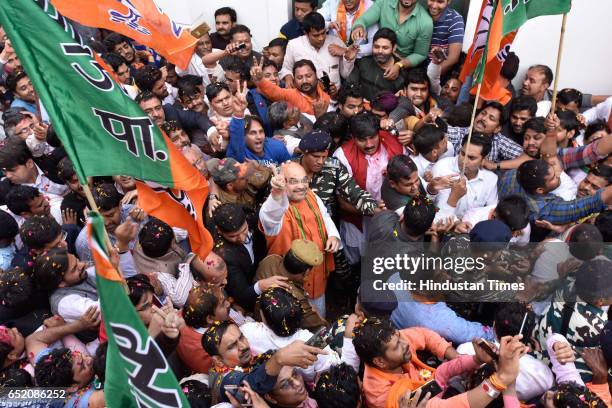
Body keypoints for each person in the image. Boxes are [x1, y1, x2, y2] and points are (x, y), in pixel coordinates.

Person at [259, 162, 341, 316]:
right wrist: (277, 193)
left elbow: (323, 215)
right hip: (290, 287)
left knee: (318, 319)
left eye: (304, 180)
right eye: (293, 181)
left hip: (318, 276)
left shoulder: (310, 194)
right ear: (282, 182)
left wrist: (333, 235)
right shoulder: (274, 207)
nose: (302, 186)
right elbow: (271, 216)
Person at [201, 320, 326, 404]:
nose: (243, 346)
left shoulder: (245, 357)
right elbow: (250, 384)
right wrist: (278, 359)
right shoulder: (224, 382)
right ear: (218, 360)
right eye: (232, 346)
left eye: (241, 337)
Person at [352, 317, 457, 407]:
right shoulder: (381, 395)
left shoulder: (391, 339)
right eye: (397, 346)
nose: (406, 343)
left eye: (400, 336)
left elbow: (424, 335)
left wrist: (455, 356)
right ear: (380, 362)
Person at [212, 203, 285, 313]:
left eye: (244, 230)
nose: (241, 238)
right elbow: (241, 294)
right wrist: (260, 286)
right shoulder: (224, 255)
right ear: (219, 231)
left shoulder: (253, 216)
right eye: (233, 236)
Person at [296, 129, 378, 221]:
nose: (320, 162)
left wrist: (376, 209)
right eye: (316, 156)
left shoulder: (333, 167)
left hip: (326, 226)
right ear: (304, 153)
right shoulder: (287, 171)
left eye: (324, 157)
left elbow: (354, 192)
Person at [255, 239, 327, 329]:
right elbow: (317, 327)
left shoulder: (270, 259)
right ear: (306, 272)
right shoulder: (297, 299)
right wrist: (325, 323)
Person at [352, 0, 433, 76]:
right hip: (378, 56)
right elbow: (363, 20)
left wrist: (399, 65)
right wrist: (359, 26)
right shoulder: (384, 2)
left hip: (402, 64)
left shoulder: (426, 22)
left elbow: (420, 54)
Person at [281, 12, 358, 91]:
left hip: (333, 98)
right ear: (306, 33)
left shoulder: (337, 43)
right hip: (304, 98)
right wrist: (288, 77)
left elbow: (345, 74)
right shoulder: (294, 45)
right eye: (316, 35)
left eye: (323, 33)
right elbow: (286, 69)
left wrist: (348, 59)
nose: (321, 38)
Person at [431, 133, 498, 222]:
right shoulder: (442, 167)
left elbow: (491, 213)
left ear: (484, 159)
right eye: (462, 153)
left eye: (471, 158)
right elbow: (438, 212)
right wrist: (457, 223)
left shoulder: (491, 179)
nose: (464, 161)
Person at [227, 83, 291, 166]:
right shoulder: (240, 153)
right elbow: (236, 137)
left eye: (261, 131)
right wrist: (238, 113)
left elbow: (291, 169)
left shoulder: (277, 146)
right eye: (253, 133)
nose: (259, 136)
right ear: (243, 137)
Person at [177, 286, 230, 375]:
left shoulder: (184, 314)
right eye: (222, 304)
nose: (228, 304)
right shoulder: (208, 350)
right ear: (209, 318)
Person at [252, 58, 331, 118]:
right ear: (294, 81)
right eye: (299, 78)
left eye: (308, 76)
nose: (304, 81)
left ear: (316, 75)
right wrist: (261, 80)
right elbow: (275, 92)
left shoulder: (326, 91)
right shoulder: (291, 95)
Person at [447, 100, 523, 161]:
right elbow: (443, 130)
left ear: (497, 128)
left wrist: (496, 166)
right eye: (483, 113)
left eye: (491, 118)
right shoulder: (460, 133)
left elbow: (525, 157)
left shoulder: (498, 141)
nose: (483, 118)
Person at [346, 28, 407, 101]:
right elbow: (349, 87)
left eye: (385, 48)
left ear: (394, 48)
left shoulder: (401, 72)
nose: (380, 51)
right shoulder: (363, 62)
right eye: (376, 47)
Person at [426, 0, 464, 77]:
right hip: (420, 65)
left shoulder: (455, 19)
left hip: (441, 69)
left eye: (440, 2)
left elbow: (452, 58)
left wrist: (430, 76)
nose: (434, 5)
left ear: (449, 1)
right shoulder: (421, 15)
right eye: (431, 0)